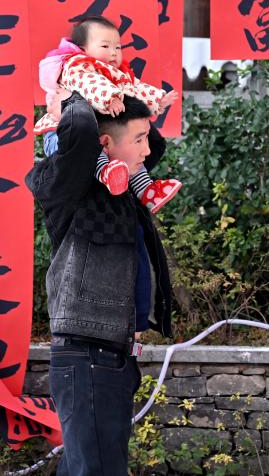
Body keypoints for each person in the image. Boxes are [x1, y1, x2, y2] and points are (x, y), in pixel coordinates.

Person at [27, 93, 175, 476]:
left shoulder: (121, 189)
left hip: (112, 355)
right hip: (88, 354)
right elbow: (79, 129)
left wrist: (131, 95)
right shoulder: (74, 189)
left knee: (89, 467)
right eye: (138, 139)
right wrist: (79, 93)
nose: (147, 149)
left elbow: (155, 145)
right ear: (104, 143)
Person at [34, 16, 181, 212]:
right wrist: (110, 98)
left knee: (130, 159)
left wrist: (156, 99)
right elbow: (90, 84)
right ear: (83, 49)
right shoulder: (76, 65)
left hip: (96, 131)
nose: (113, 52)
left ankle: (147, 191)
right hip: (60, 134)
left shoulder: (114, 73)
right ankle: (105, 171)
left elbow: (134, 88)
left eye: (118, 47)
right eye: (105, 46)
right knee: (93, 149)